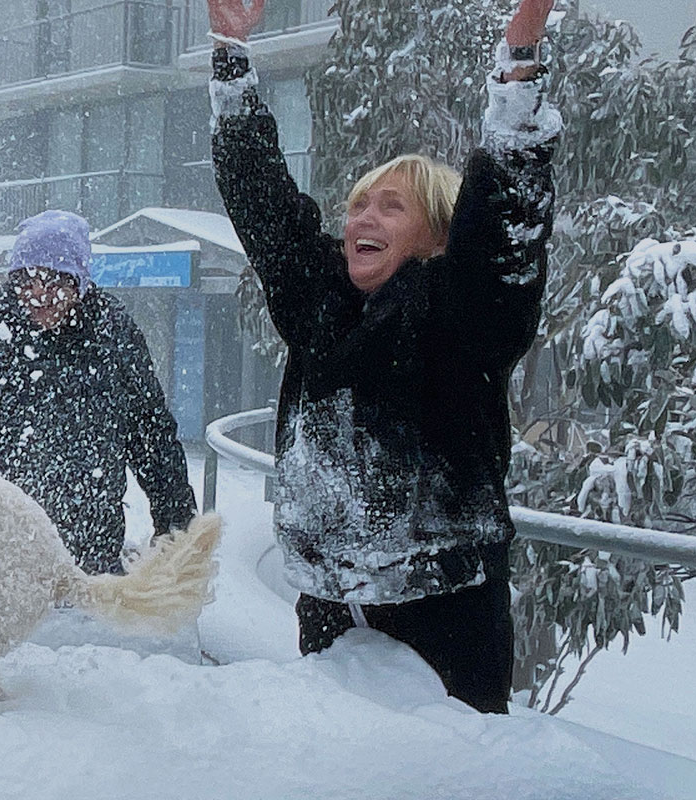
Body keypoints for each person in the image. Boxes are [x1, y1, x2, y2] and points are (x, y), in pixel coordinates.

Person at [206, 0, 559, 712]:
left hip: (445, 604)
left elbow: (504, 229)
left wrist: (517, 68)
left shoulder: (463, 313)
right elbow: (265, 204)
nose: (363, 219)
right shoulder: (322, 303)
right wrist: (230, 57)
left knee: (447, 779)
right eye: (359, 205)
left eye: (390, 208)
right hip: (329, 597)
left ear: (434, 236)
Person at [0, 210, 197, 574]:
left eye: (57, 282)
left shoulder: (113, 335)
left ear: (80, 281)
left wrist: (176, 525)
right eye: (28, 281)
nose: (40, 295)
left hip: (89, 549)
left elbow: (151, 435)